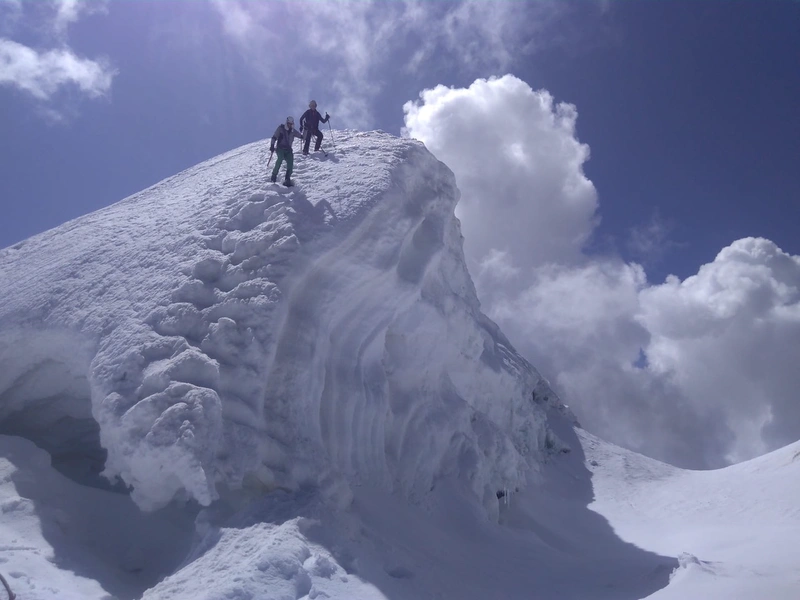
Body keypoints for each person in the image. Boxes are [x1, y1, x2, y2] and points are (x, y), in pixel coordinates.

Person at [270, 116, 303, 186]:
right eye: (288, 123)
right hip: (280, 148)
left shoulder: (293, 131)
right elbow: (274, 137)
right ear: (286, 123)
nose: (290, 125)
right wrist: (272, 145)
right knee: (280, 159)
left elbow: (301, 136)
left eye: (291, 124)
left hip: (288, 150)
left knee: (290, 162)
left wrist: (304, 130)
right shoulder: (281, 128)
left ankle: (287, 179)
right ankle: (274, 175)